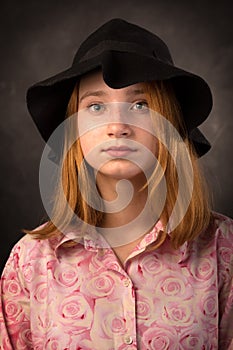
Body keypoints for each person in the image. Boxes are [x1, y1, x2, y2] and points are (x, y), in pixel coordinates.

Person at [0, 18, 232, 350]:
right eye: (96, 106)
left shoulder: (224, 251)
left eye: (141, 104)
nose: (117, 126)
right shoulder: (31, 261)